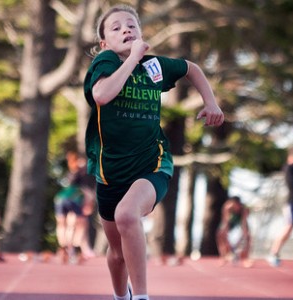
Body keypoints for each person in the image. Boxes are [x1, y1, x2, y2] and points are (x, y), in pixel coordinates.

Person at [83, 5, 224, 300]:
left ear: (141, 33)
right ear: (104, 44)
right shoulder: (105, 63)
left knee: (126, 214)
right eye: (117, 27)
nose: (126, 30)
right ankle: (122, 296)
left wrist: (210, 102)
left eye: (131, 25)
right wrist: (132, 58)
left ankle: (143, 296)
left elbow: (190, 68)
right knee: (117, 253)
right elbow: (102, 95)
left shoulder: (154, 66)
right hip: (109, 172)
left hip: (152, 163)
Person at [54, 149, 96, 264]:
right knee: (80, 224)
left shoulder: (70, 174)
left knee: (62, 224)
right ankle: (72, 247)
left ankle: (64, 246)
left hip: (60, 198)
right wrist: (89, 204)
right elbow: (88, 192)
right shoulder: (84, 177)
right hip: (73, 199)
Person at [216, 196, 253, 268]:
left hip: (240, 222)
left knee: (248, 236)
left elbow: (244, 224)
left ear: (239, 204)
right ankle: (223, 256)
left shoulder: (244, 209)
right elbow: (225, 222)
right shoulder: (227, 208)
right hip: (230, 222)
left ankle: (246, 258)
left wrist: (244, 236)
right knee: (220, 234)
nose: (235, 207)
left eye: (236, 205)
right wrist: (225, 237)